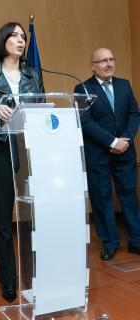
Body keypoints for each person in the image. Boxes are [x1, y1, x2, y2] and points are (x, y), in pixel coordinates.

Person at [0, 22, 44, 302]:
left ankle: (36, 273)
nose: (20, 40)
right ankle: (8, 280)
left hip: (30, 148)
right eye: (14, 35)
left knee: (32, 217)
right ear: (3, 40)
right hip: (0, 148)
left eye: (23, 37)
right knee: (3, 220)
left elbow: (41, 104)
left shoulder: (32, 74)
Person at [74, 48, 140, 260]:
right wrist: (112, 141)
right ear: (93, 65)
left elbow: (134, 113)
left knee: (129, 197)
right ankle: (110, 242)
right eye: (103, 61)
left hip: (125, 153)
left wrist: (125, 140)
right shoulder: (82, 88)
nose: (108, 64)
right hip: (98, 156)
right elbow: (85, 122)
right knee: (102, 199)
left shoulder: (124, 85)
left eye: (111, 59)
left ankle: (136, 241)